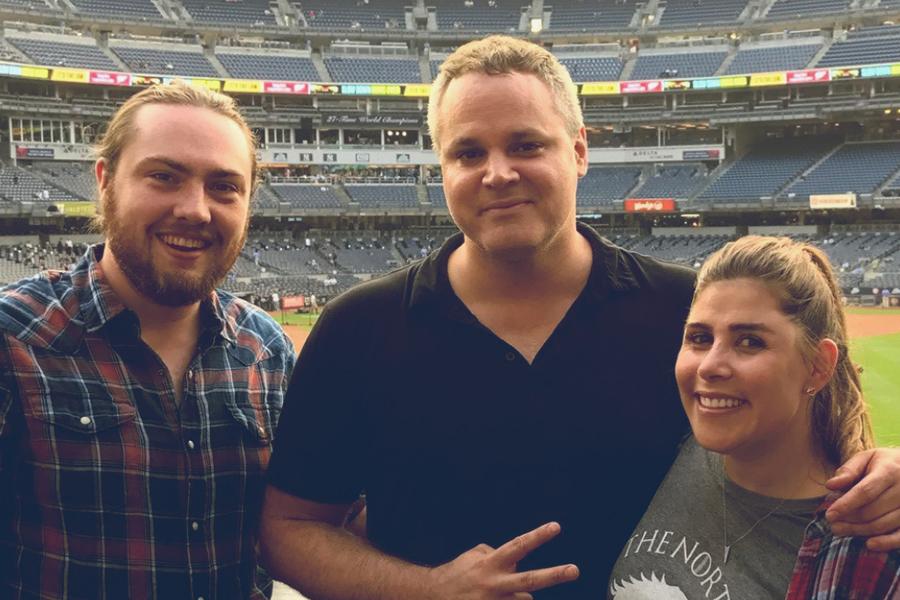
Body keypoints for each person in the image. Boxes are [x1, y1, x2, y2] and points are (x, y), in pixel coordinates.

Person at [260, 36, 900, 600]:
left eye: (526, 144)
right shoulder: (358, 328)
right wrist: (424, 590)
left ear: (580, 151)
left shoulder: (689, 319)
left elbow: (818, 455)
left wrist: (885, 473)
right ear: (442, 170)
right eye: (468, 153)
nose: (498, 173)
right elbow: (290, 530)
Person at [0, 81, 295, 599]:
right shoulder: (13, 338)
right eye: (164, 176)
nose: (195, 210)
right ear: (106, 182)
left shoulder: (267, 351)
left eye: (225, 186)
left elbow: (317, 522)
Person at [609, 236, 900, 599]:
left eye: (750, 342)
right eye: (699, 337)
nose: (710, 365)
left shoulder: (861, 540)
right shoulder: (675, 440)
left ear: (818, 366)